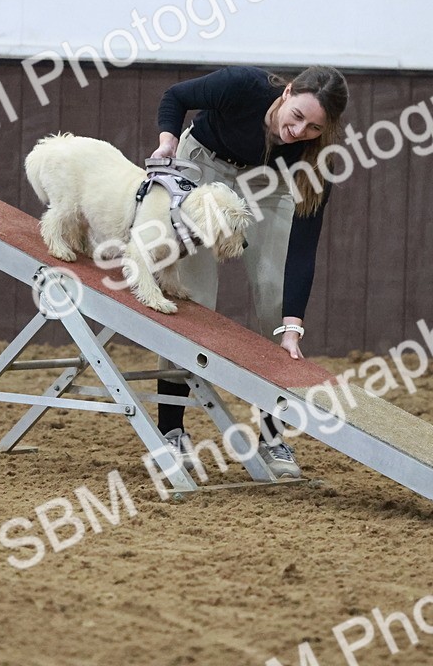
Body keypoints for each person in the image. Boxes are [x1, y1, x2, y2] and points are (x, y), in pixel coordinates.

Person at [149, 64, 348, 478]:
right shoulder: (243, 86)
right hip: (205, 167)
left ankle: (273, 438)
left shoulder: (317, 157)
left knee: (275, 299)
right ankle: (171, 431)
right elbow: (176, 96)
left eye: (313, 127)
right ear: (287, 92)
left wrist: (292, 326)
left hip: (268, 185)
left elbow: (302, 248)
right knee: (193, 297)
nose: (298, 131)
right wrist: (167, 140)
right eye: (297, 116)